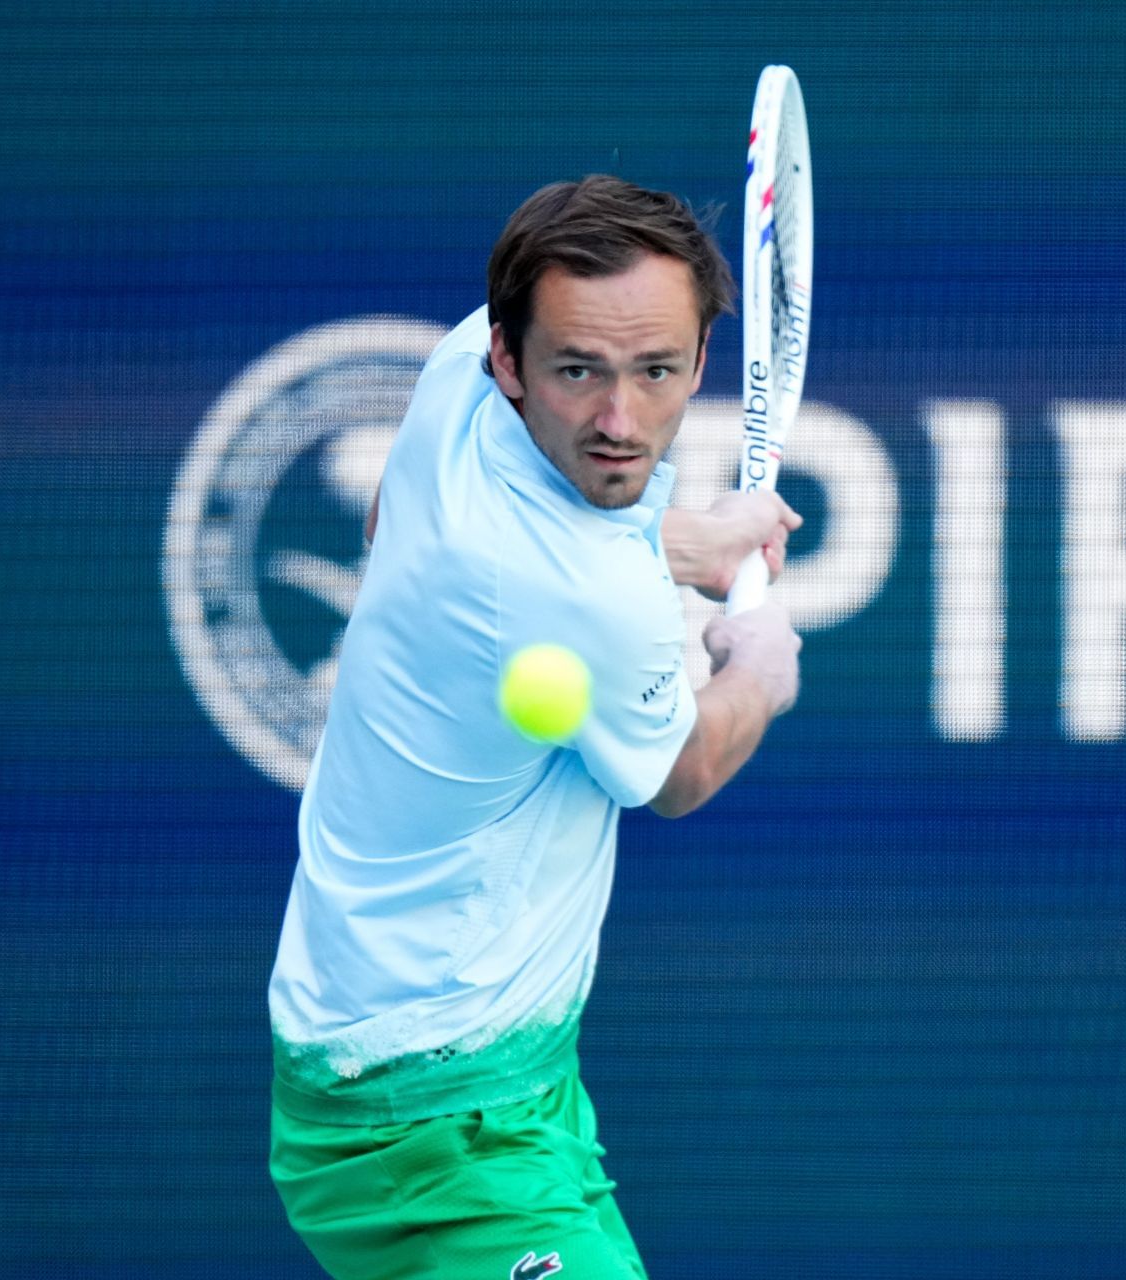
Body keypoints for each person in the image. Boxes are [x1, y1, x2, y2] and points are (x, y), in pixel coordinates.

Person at [267, 175, 803, 1280]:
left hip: (493, 1077)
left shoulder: (456, 370)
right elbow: (685, 768)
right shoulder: (585, 602)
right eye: (578, 372)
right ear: (510, 359)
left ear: (701, 363)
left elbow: (415, 528)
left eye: (655, 372)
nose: (619, 418)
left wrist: (681, 538)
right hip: (425, 1134)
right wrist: (761, 663)